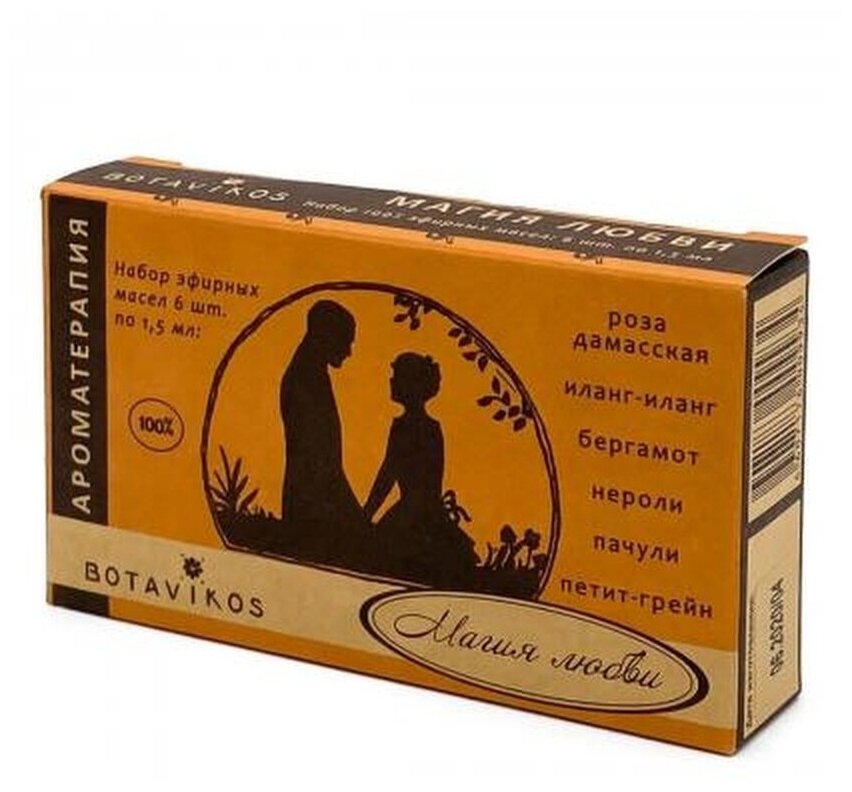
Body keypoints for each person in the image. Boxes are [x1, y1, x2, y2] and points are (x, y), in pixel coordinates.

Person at [364, 352, 477, 586]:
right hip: (424, 512)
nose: (391, 381)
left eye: (396, 376)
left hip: (414, 515)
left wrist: (366, 514)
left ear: (412, 385)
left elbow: (388, 474)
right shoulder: (429, 427)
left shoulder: (408, 427)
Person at [279, 300, 365, 558]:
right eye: (346, 341)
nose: (349, 352)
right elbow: (323, 464)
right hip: (314, 514)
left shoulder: (311, 374)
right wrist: (357, 518)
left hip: (316, 507)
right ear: (324, 335)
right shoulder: (305, 380)